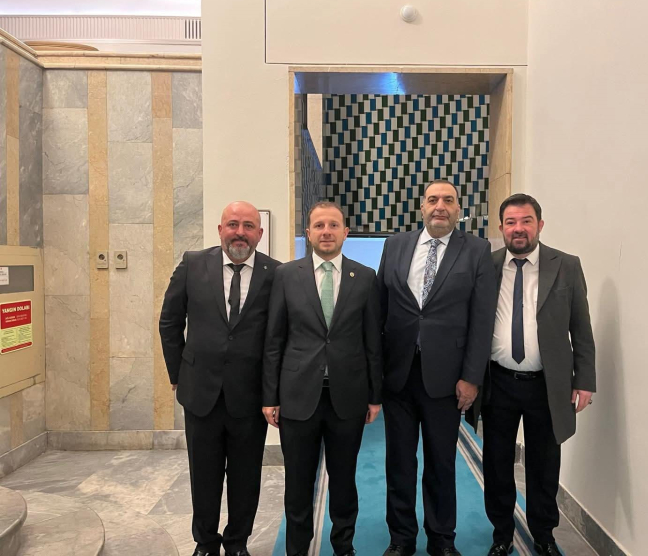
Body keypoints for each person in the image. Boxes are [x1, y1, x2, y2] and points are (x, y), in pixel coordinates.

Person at [377, 180, 496, 556]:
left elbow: (482, 320)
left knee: (441, 463)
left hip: (447, 379)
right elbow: (380, 308)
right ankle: (401, 538)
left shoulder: (476, 250)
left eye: (448, 200)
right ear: (422, 207)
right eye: (432, 199)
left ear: (459, 209)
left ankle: (442, 539)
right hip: (398, 375)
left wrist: (471, 377)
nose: (439, 206)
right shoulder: (395, 245)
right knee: (399, 463)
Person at [475, 193, 596, 556]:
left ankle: (543, 535)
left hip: (547, 384)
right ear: (501, 228)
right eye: (511, 222)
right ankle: (501, 534)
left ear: (540, 225)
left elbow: (581, 327)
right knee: (497, 462)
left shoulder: (566, 266)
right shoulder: (487, 265)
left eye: (526, 221)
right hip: (498, 381)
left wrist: (584, 380)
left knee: (544, 464)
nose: (519, 229)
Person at [262, 201, 383, 556]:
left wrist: (375, 395)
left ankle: (343, 547)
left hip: (348, 396)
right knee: (298, 482)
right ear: (309, 233)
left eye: (333, 225)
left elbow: (373, 340)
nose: (326, 232)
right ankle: (297, 549)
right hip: (298, 396)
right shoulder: (286, 275)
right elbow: (274, 339)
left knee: (344, 481)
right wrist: (270, 396)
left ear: (346, 232)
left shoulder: (365, 277)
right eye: (319, 225)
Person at [159, 201, 280, 556]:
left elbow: (279, 336)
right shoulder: (192, 264)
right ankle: (206, 543)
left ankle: (237, 542)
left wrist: (273, 391)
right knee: (204, 474)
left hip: (250, 395)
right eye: (232, 224)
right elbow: (169, 321)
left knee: (246, 476)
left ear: (260, 233)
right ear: (220, 229)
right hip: (200, 392)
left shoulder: (276, 273)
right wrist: (177, 374)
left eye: (248, 226)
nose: (239, 232)